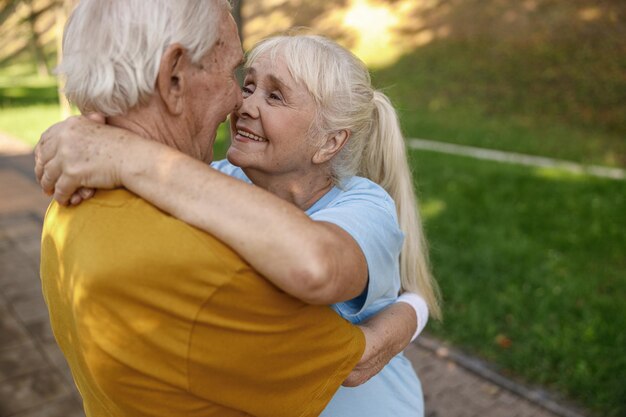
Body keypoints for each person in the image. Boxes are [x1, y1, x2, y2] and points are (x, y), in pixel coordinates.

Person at [36, 2, 422, 416]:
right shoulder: (202, 235)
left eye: (275, 95)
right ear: (174, 78)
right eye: (243, 79)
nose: (242, 101)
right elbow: (352, 354)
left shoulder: (361, 204)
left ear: (330, 143)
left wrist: (124, 150)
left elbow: (323, 268)